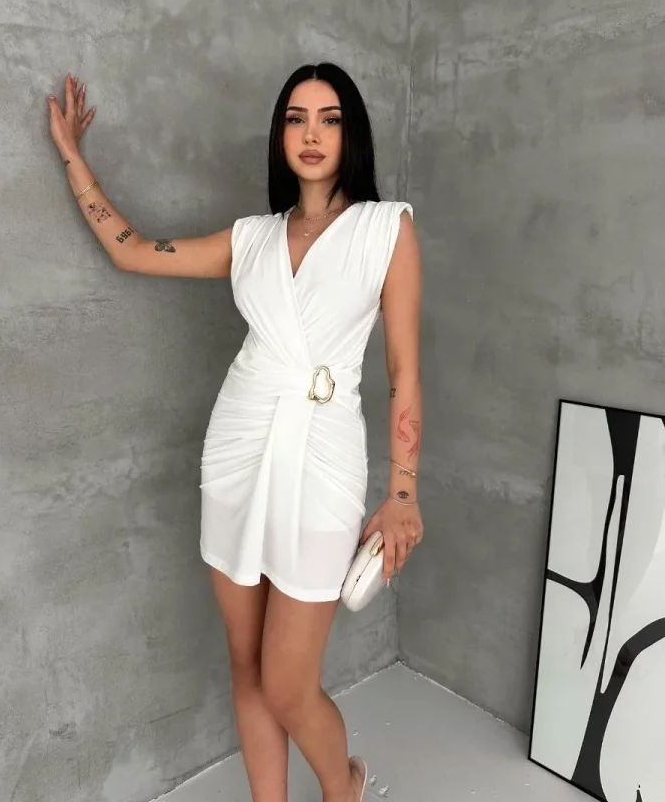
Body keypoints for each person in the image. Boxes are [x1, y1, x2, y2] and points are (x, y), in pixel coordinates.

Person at [46, 62, 424, 802]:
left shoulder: (388, 229)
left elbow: (404, 372)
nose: (311, 134)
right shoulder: (251, 239)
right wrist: (72, 158)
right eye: (295, 119)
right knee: (247, 665)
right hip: (236, 453)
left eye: (329, 119)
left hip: (325, 461)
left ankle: (342, 788)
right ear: (280, 136)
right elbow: (131, 249)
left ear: (352, 134)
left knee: (288, 682)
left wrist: (403, 490)